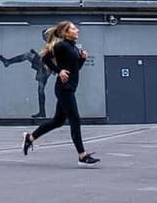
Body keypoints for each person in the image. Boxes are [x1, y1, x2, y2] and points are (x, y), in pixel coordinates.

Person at [21, 20, 99, 166]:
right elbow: (45, 59)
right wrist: (59, 71)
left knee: (58, 121)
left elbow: (75, 69)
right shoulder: (61, 45)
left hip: (69, 87)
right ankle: (82, 156)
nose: (77, 31)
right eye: (74, 29)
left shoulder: (73, 47)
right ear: (65, 33)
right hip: (64, 89)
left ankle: (30, 137)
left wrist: (82, 59)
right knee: (75, 119)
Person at [0, 28, 54, 118]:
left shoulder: (52, 45)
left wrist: (35, 54)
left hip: (45, 68)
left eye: (45, 35)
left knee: (27, 55)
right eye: (43, 36)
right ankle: (42, 112)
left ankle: (8, 62)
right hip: (44, 68)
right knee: (40, 90)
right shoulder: (50, 45)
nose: (44, 37)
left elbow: (47, 59)